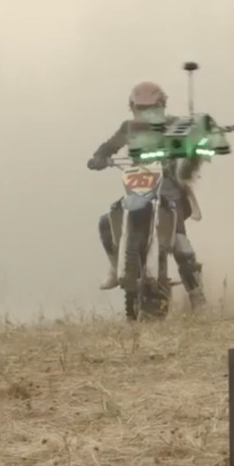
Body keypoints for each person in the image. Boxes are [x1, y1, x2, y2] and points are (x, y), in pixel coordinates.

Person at [87, 80, 207, 309]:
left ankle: (196, 294)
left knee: (181, 246)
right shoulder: (128, 128)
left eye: (151, 108)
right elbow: (110, 145)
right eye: (141, 109)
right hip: (138, 188)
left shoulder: (174, 124)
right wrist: (99, 157)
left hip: (170, 189)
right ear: (132, 108)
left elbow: (194, 141)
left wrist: (194, 148)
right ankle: (116, 266)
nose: (146, 114)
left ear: (162, 106)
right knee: (106, 221)